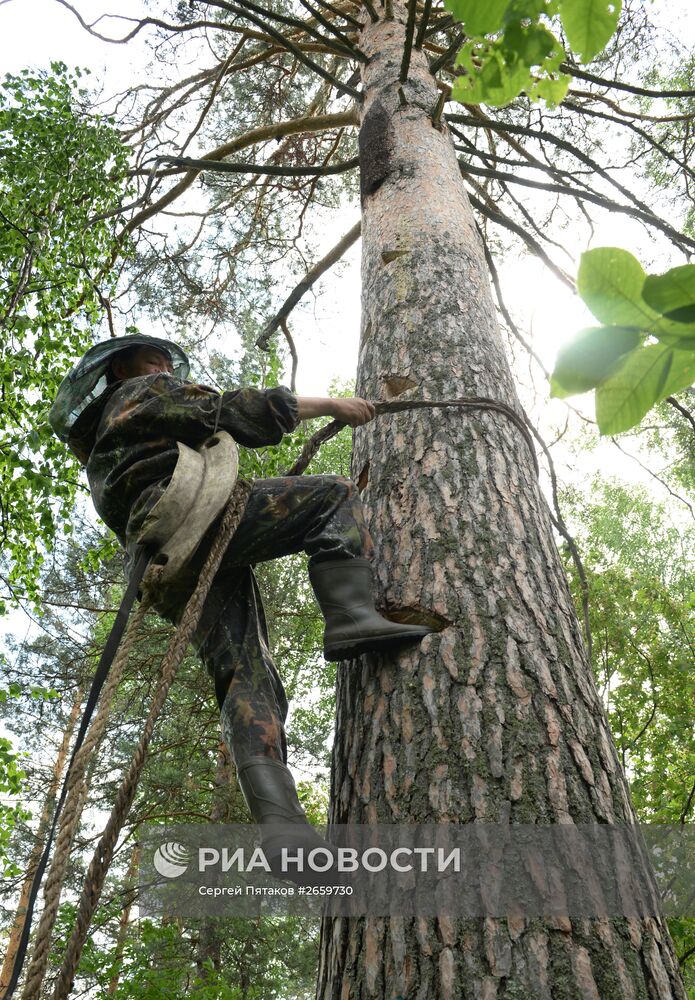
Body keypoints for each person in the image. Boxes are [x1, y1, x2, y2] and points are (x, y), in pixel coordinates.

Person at [49, 334, 432, 883]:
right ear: (118, 372)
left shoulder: (103, 445)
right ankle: (350, 617)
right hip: (187, 512)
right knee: (333, 498)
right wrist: (333, 405)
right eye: (145, 357)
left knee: (247, 676)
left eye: (161, 358)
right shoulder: (141, 393)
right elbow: (233, 410)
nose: (159, 363)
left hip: (165, 558)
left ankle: (283, 831)